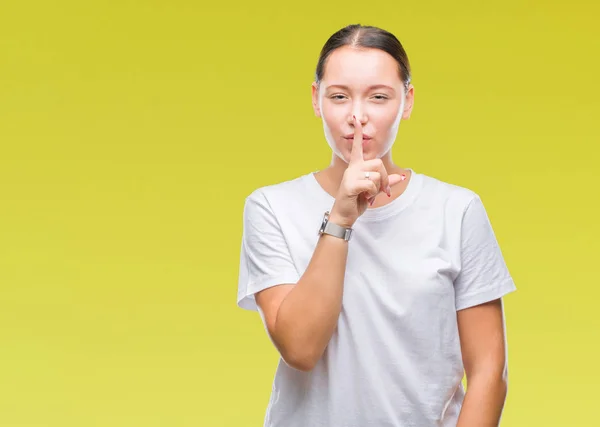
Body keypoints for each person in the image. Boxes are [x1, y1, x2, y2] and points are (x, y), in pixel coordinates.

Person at [236, 23, 516, 427]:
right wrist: (341, 218)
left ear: (407, 101)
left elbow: (490, 372)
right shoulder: (271, 207)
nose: (357, 116)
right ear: (316, 100)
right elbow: (300, 348)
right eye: (339, 96)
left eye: (379, 97)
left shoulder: (457, 210)